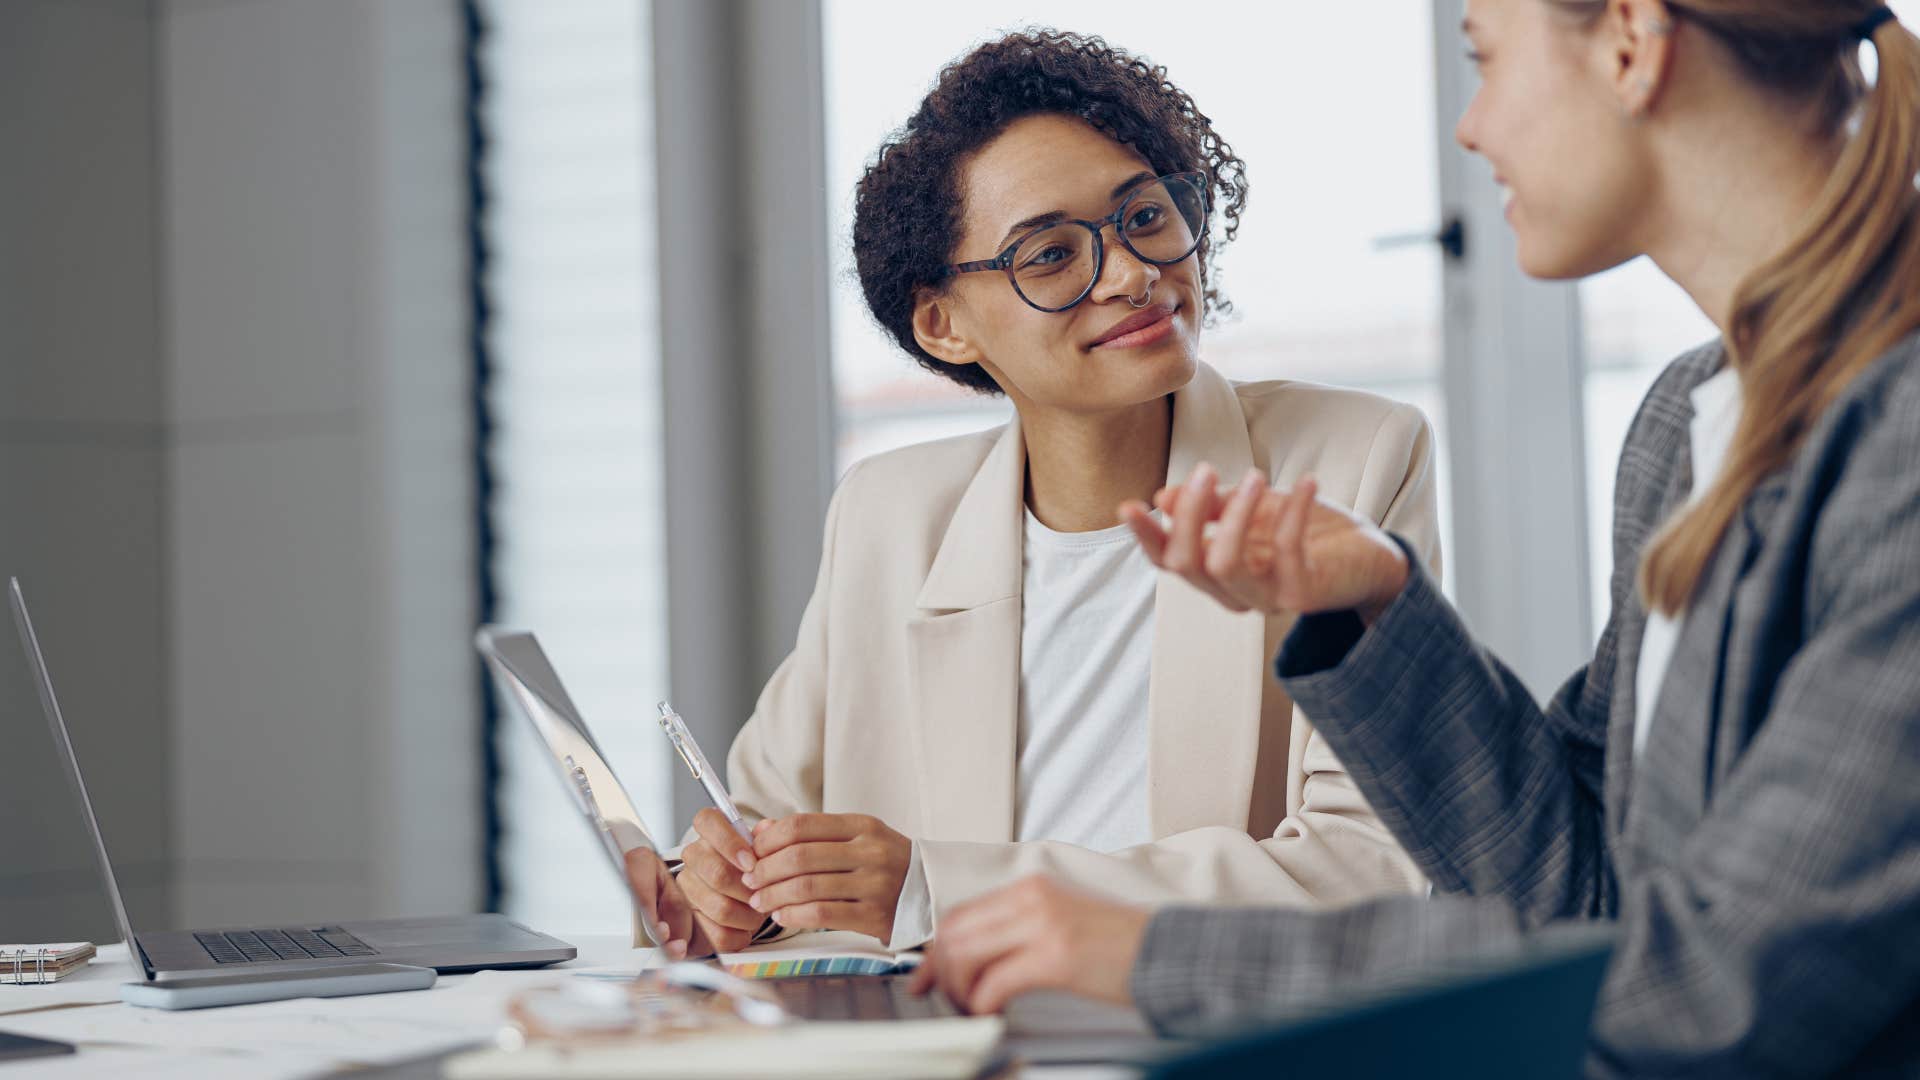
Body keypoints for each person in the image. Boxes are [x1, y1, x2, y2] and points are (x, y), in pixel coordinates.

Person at [910, 2, 1920, 1075]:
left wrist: (1161, 956)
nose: (1471, 128)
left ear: (1630, 42)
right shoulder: (1689, 420)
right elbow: (1587, 893)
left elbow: (1707, 989)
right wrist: (1378, 610)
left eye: (1486, 57)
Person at [642, 30, 1445, 959]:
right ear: (943, 324)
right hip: (939, 1025)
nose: (1135, 275)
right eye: (1052, 255)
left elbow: (1367, 868)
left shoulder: (1352, 460)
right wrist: (726, 889)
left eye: (1146, 216)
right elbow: (758, 824)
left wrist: (936, 891)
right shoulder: (887, 515)